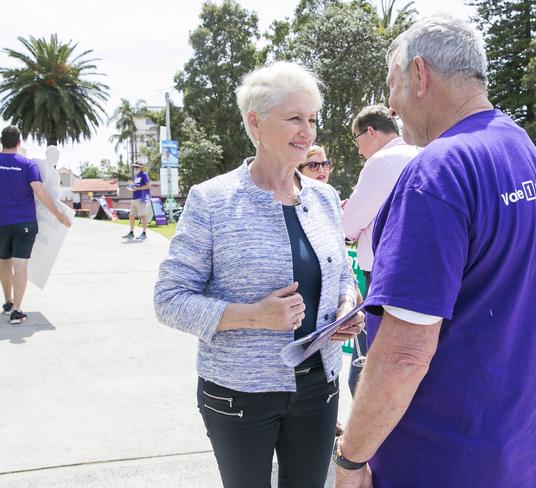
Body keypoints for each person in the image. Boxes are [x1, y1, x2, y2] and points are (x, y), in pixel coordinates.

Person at [334, 14, 536, 488]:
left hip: (444, 458)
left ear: (420, 75)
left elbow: (404, 353)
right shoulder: (530, 156)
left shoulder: (437, 171)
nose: (391, 106)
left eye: (393, 85)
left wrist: (351, 459)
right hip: (526, 447)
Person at [154, 61, 364, 488]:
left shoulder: (324, 197)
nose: (307, 131)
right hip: (238, 395)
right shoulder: (212, 200)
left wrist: (345, 306)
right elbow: (169, 299)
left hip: (318, 389)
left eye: (311, 119)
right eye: (294, 118)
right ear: (256, 122)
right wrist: (254, 315)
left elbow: (340, 271)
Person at [342, 104, 418, 395]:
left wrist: (352, 219)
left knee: (367, 372)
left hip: (382, 276)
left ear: (370, 131)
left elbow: (349, 224)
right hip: (417, 272)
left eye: (357, 139)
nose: (359, 149)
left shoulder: (381, 162)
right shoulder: (419, 152)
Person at [0, 126, 72, 324]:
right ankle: (16, 310)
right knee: (20, 265)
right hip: (24, 222)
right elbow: (39, 191)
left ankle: (7, 301)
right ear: (19, 142)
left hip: (1, 223)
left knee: (3, 262)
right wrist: (59, 215)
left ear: (1, 141)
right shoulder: (27, 164)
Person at [122, 161, 150, 241]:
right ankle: (131, 233)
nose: (135, 168)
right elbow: (136, 186)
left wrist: (137, 188)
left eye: (137, 167)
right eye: (134, 167)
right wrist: (132, 187)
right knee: (131, 215)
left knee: (143, 215)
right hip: (134, 198)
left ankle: (144, 233)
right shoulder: (136, 176)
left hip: (141, 198)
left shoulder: (144, 175)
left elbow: (148, 186)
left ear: (141, 168)